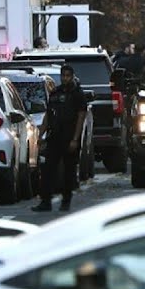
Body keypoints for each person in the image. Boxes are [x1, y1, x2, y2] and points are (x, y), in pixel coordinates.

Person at [32, 64, 89, 212]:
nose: (65, 78)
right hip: (54, 136)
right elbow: (48, 115)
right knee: (48, 170)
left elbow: (81, 117)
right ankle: (45, 201)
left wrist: (75, 139)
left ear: (72, 76)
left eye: (68, 76)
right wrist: (41, 134)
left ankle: (66, 201)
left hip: (69, 137)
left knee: (68, 171)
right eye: (63, 75)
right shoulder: (55, 93)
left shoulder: (78, 94)